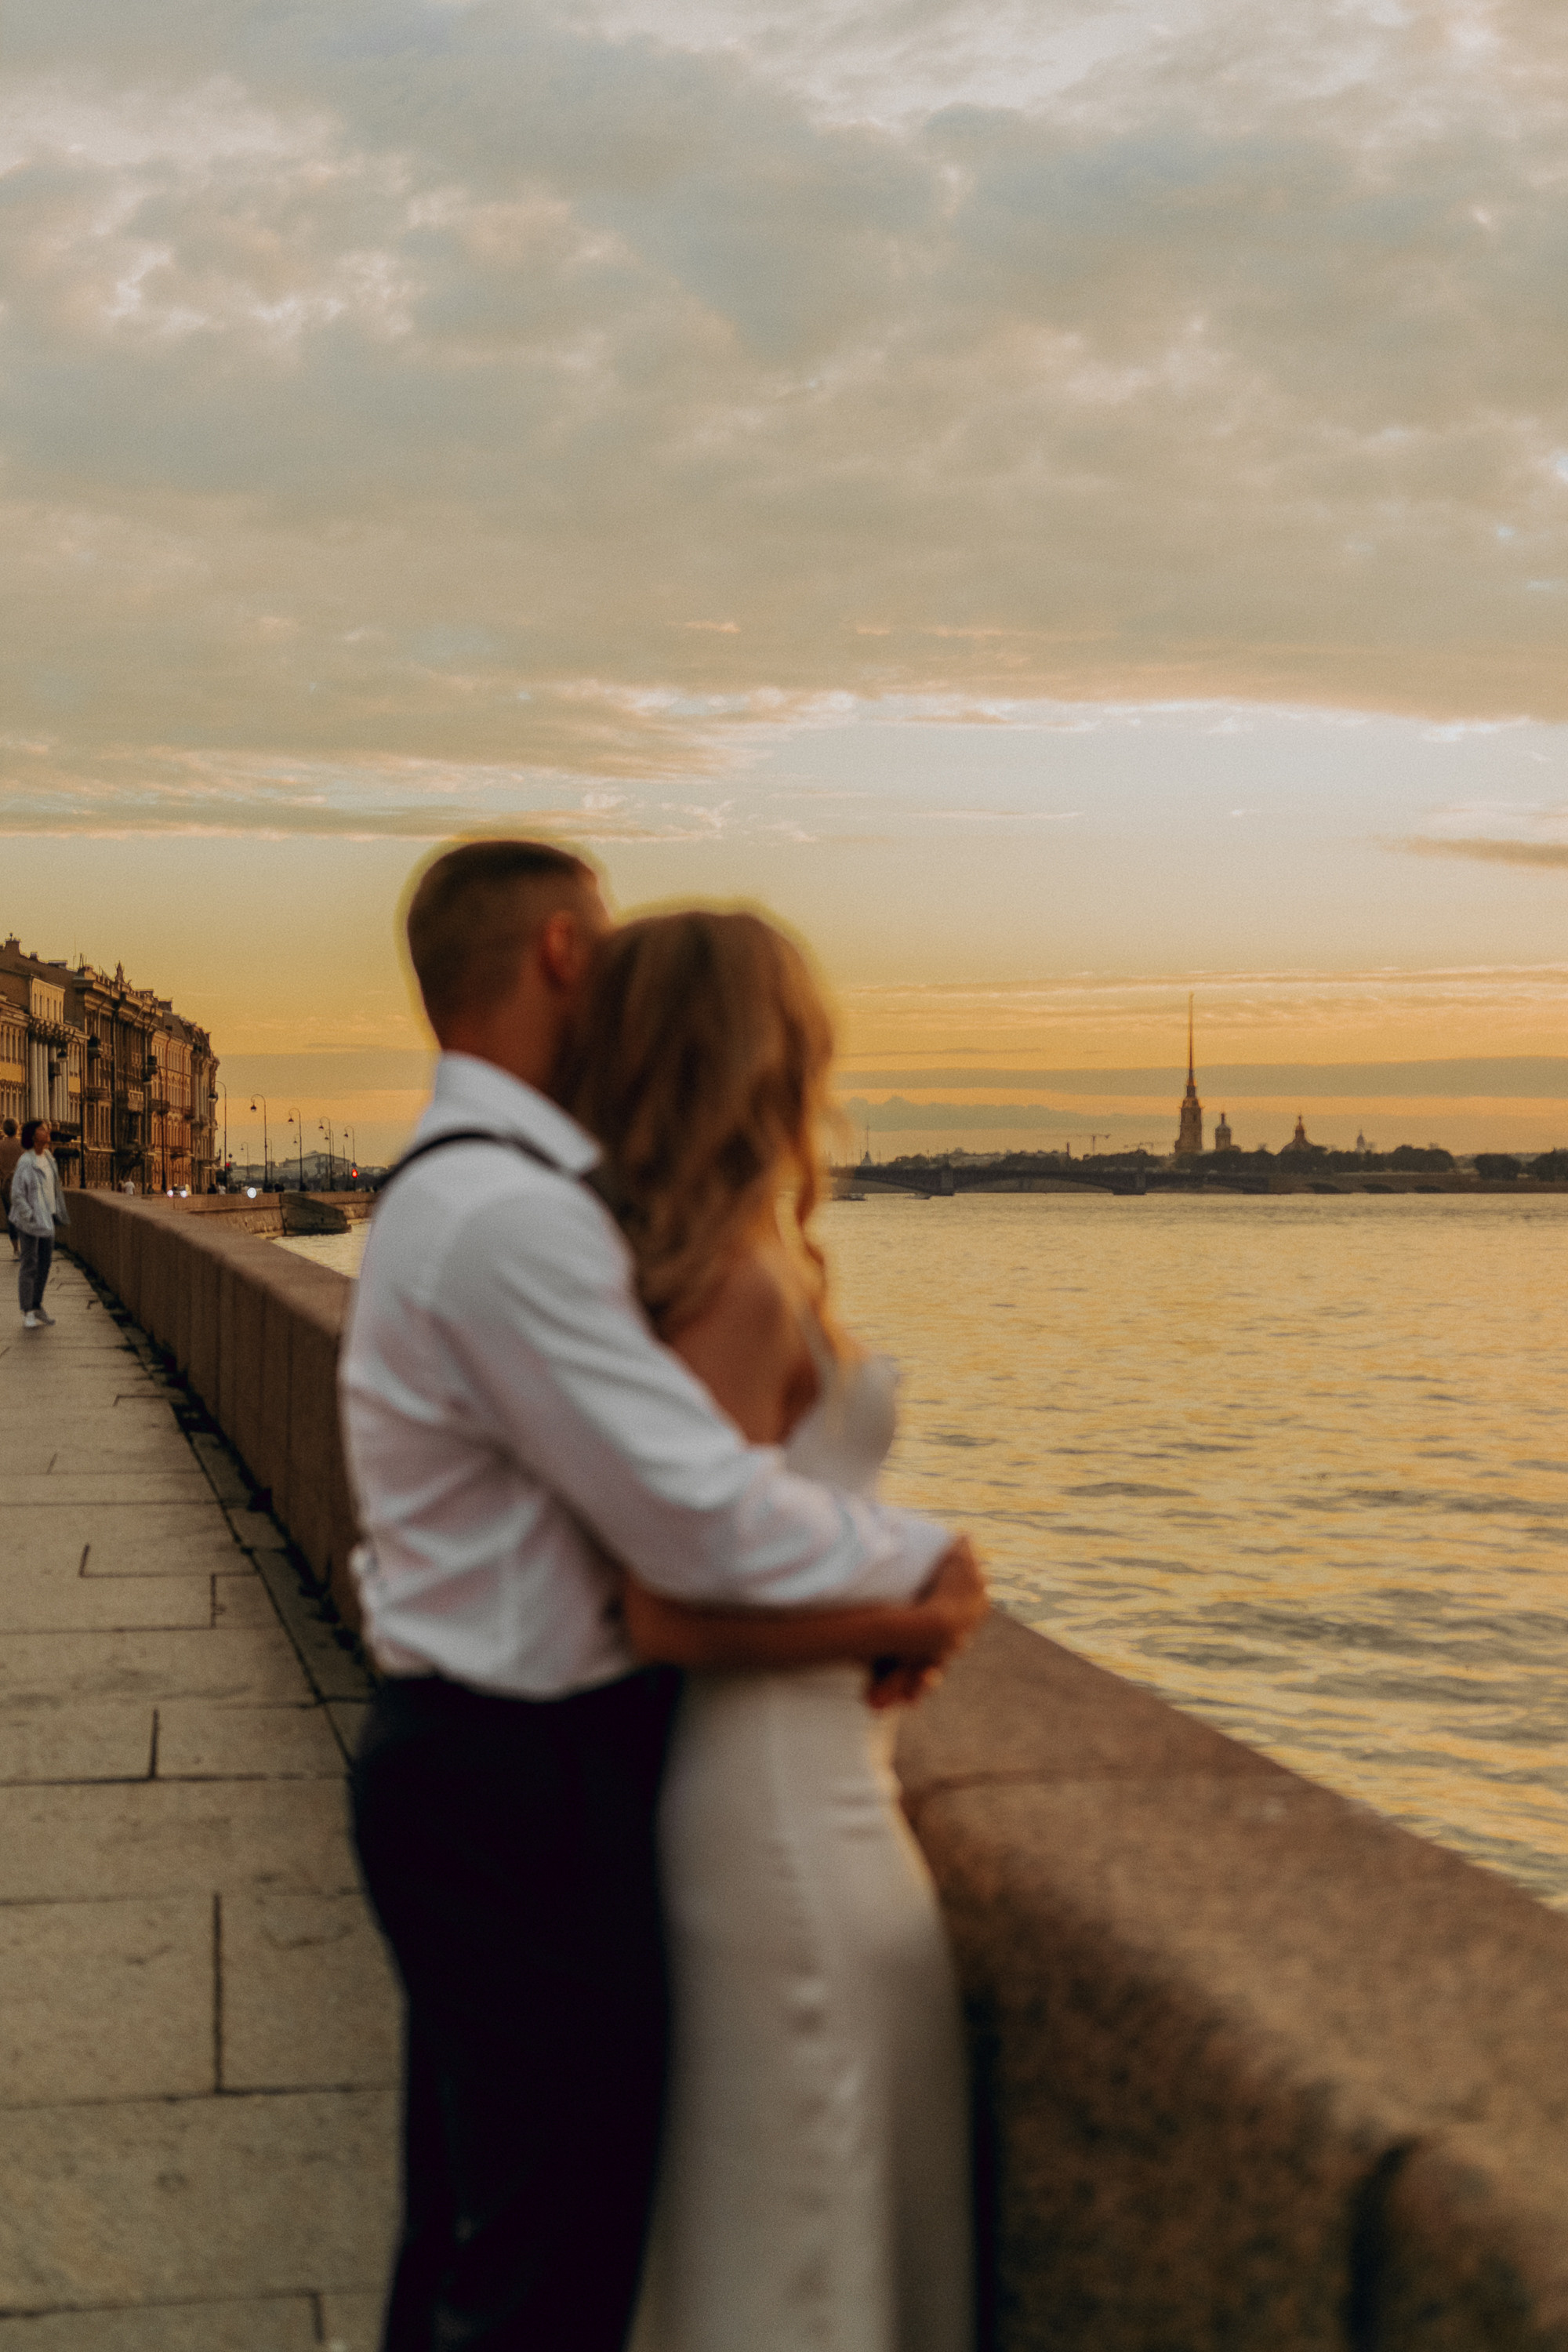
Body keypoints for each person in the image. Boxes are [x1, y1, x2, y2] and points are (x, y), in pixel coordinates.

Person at [340, 840, 985, 2352]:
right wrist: (919, 1575)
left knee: (479, 2241)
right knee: (541, 2276)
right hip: (522, 1784)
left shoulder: (470, 1191)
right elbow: (692, 1522)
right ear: (564, 952)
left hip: (480, 1763)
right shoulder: (510, 1217)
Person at [561, 911, 975, 2352]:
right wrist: (905, 1615)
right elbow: (666, 1607)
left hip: (807, 1784)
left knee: (817, 2208)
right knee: (809, 2221)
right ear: (771, 1051)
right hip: (785, 1808)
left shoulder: (723, 1261)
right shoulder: (737, 1290)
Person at [13, 1119, 69, 1329]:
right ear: (33, 1135)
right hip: (30, 1222)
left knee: (44, 1266)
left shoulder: (49, 1158)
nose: (48, 1131)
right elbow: (17, 1194)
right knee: (30, 1265)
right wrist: (30, 1216)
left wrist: (55, 1212)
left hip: (47, 1220)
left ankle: (37, 1306)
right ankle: (27, 1311)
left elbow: (54, 1189)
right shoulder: (26, 1162)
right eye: (43, 1129)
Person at [0, 1118, 21, 1258]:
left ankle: (16, 1249)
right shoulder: (23, 1145)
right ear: (17, 1129)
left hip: (6, 1186)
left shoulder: (0, 1146)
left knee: (11, 1217)